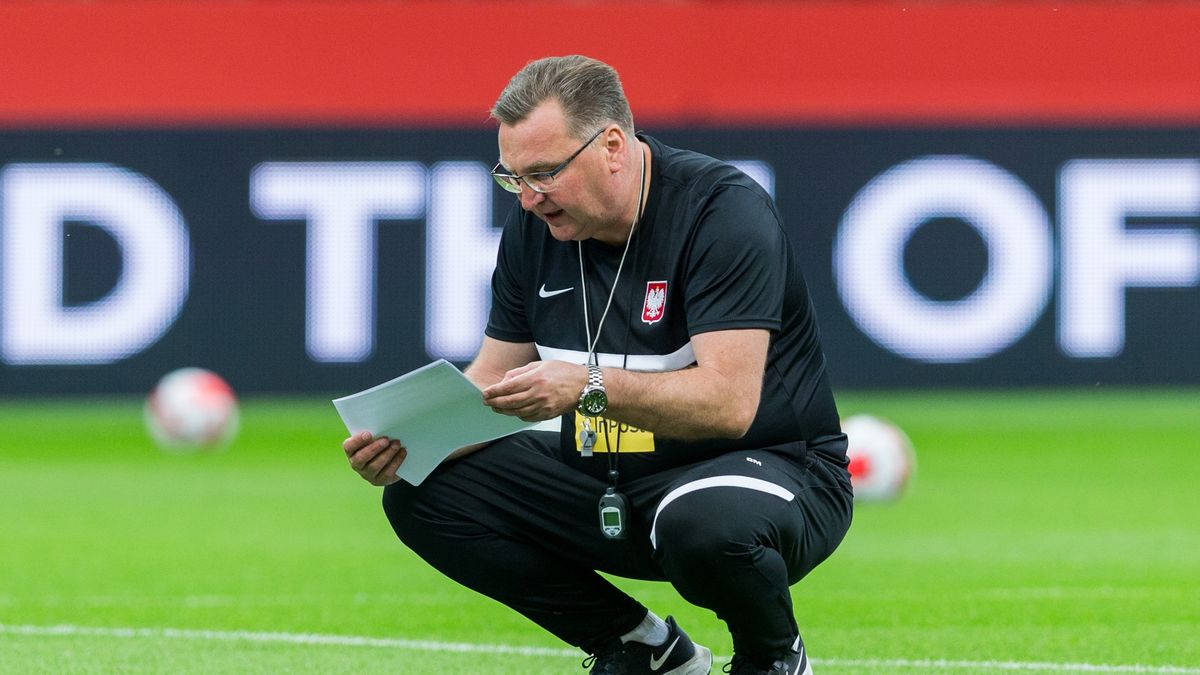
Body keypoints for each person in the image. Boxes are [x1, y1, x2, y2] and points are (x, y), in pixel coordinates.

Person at [343, 55, 853, 675]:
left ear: (612, 146)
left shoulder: (721, 211)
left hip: (766, 470)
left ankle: (772, 657)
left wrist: (587, 386)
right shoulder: (537, 229)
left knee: (703, 526)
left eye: (545, 174)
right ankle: (641, 648)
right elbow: (490, 382)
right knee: (422, 495)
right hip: (612, 470)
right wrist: (411, 445)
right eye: (513, 178)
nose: (529, 200)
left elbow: (728, 403)